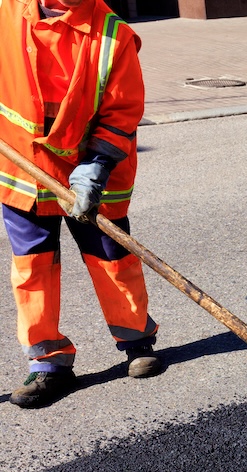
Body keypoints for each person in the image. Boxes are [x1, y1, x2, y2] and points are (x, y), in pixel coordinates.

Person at [0, 0, 162, 409]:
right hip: (24, 171)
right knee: (32, 267)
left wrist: (97, 166)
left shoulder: (113, 36)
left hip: (91, 173)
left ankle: (136, 340)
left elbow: (122, 111)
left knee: (112, 258)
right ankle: (48, 362)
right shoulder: (5, 14)